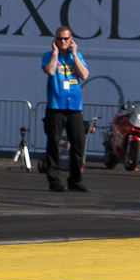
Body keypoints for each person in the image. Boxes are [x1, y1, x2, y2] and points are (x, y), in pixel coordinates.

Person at [41, 26, 90, 192]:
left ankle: (75, 180)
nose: (62, 41)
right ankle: (54, 180)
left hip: (74, 107)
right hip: (56, 107)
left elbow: (84, 75)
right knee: (54, 144)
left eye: (65, 39)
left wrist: (74, 55)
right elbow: (50, 71)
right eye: (59, 38)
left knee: (78, 144)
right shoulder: (49, 55)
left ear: (71, 39)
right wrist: (55, 53)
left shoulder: (77, 56)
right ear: (55, 39)